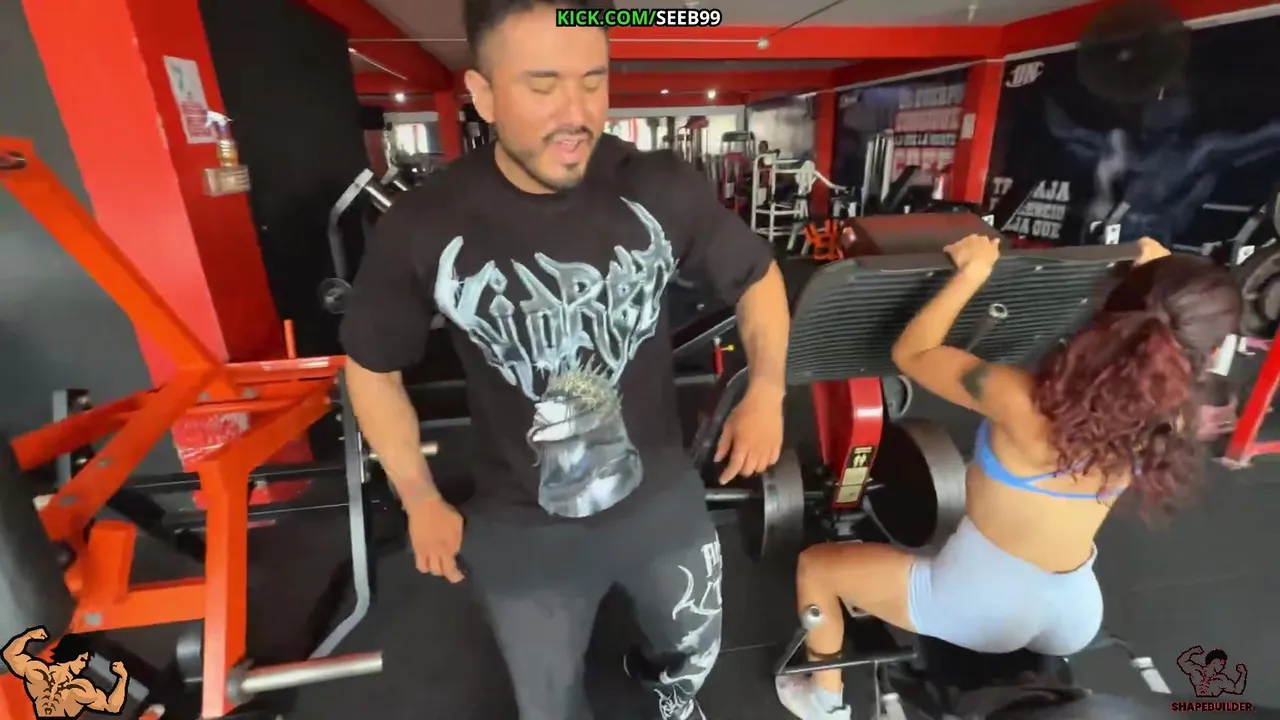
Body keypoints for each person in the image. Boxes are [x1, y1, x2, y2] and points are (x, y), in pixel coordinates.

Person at [338, 0, 790, 718]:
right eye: (542, 85)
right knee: (548, 705)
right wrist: (419, 496)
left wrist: (767, 389)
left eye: (593, 81)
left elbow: (758, 278)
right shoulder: (425, 224)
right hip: (521, 521)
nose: (575, 113)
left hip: (660, 494)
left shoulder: (658, 186)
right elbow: (371, 367)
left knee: (693, 653)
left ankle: (668, 694)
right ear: (483, 95)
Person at [775, 235, 1242, 720]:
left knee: (818, 568)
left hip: (982, 606)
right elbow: (1163, 339)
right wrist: (1164, 287)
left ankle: (823, 702)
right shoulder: (1174, 416)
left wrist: (971, 274)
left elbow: (914, 352)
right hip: (1074, 614)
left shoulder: (1019, 399)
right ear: (1205, 354)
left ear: (1115, 309)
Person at [2, 628, 129, 717]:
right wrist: (122, 677)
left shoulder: (38, 672)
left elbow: (10, 654)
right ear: (71, 655)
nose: (84, 664)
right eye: (83, 659)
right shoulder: (79, 688)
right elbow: (113, 706)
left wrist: (28, 636)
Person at [1177, 646, 1247, 697]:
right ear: (1215, 661)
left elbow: (1237, 690)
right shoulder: (1197, 671)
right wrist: (1191, 651)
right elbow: (1181, 661)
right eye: (1221, 664)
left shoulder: (1220, 679)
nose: (1223, 667)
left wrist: (1243, 673)